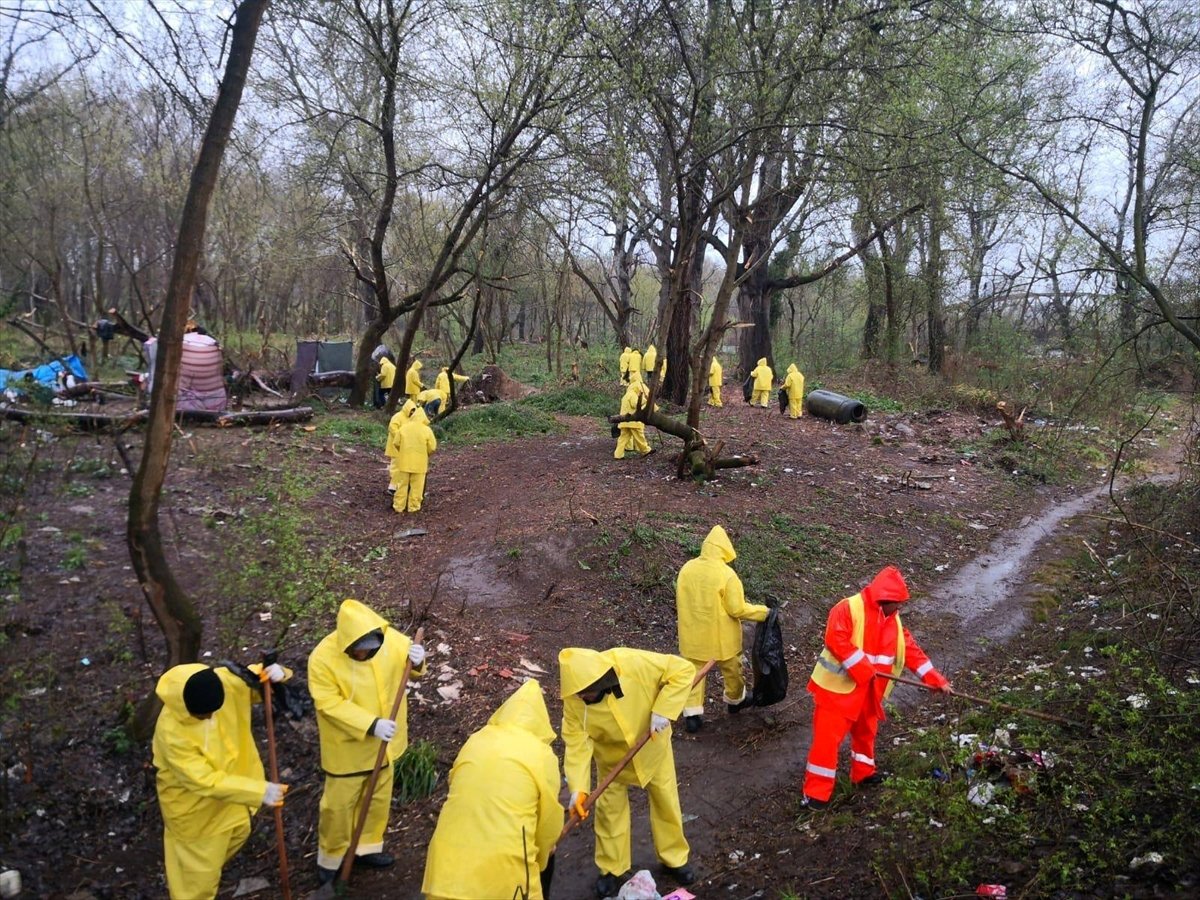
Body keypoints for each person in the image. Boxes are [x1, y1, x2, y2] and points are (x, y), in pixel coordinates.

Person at [802, 566, 952, 808]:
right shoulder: (848, 608)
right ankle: (815, 795)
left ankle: (863, 773)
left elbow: (910, 651)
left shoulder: (892, 619)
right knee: (826, 743)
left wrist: (935, 679)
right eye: (899, 603)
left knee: (865, 734)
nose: (901, 608)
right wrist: (863, 669)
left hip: (869, 692)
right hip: (837, 692)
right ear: (886, 600)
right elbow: (835, 639)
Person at [560, 648, 696, 897]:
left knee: (666, 802)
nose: (583, 698)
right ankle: (611, 868)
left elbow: (683, 670)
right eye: (579, 695)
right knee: (609, 813)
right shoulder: (574, 700)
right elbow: (576, 744)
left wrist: (664, 709)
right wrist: (578, 789)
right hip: (610, 760)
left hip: (652, 748)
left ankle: (674, 858)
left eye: (587, 694)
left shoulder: (633, 664)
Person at [308, 599, 427, 884]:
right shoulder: (322, 659)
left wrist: (419, 659)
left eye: (369, 651)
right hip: (347, 751)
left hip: (384, 746)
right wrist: (370, 724)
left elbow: (410, 666)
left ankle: (366, 847)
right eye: (358, 652)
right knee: (337, 808)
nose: (364, 655)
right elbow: (328, 703)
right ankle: (331, 857)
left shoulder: (391, 641)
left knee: (377, 801)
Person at [152, 662, 289, 900]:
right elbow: (203, 781)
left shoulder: (224, 683)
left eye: (213, 710)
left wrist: (276, 675)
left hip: (235, 805)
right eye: (202, 714)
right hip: (198, 817)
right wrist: (258, 791)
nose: (210, 717)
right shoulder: (171, 733)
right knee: (196, 883)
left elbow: (254, 682)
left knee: (219, 857)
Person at [421, 680, 563, 900]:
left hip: (445, 869)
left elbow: (456, 783)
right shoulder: (541, 755)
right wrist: (542, 858)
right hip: (503, 875)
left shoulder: (476, 740)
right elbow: (549, 821)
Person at [675, 525, 769, 732]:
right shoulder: (726, 574)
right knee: (732, 670)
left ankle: (692, 714)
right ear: (725, 549)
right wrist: (764, 612)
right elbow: (736, 609)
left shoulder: (687, 568)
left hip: (692, 635)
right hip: (721, 637)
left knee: (694, 673)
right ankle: (735, 701)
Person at [394, 406, 437, 513]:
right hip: (420, 464)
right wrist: (425, 453)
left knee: (401, 485)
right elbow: (432, 447)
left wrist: (402, 450)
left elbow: (396, 443)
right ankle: (413, 507)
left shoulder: (403, 428)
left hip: (404, 462)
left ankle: (398, 506)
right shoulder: (427, 430)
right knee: (417, 487)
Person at [385, 399, 419, 494]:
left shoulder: (412, 419)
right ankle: (393, 486)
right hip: (396, 446)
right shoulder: (397, 417)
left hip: (406, 447)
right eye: (411, 410)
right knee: (396, 466)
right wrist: (402, 437)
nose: (412, 412)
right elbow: (392, 428)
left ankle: (399, 486)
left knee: (403, 466)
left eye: (414, 410)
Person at [614, 378, 652, 460]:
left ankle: (618, 455)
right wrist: (645, 400)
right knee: (640, 437)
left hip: (624, 422)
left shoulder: (626, 395)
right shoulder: (633, 395)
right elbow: (635, 404)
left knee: (622, 439)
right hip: (633, 422)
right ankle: (646, 450)